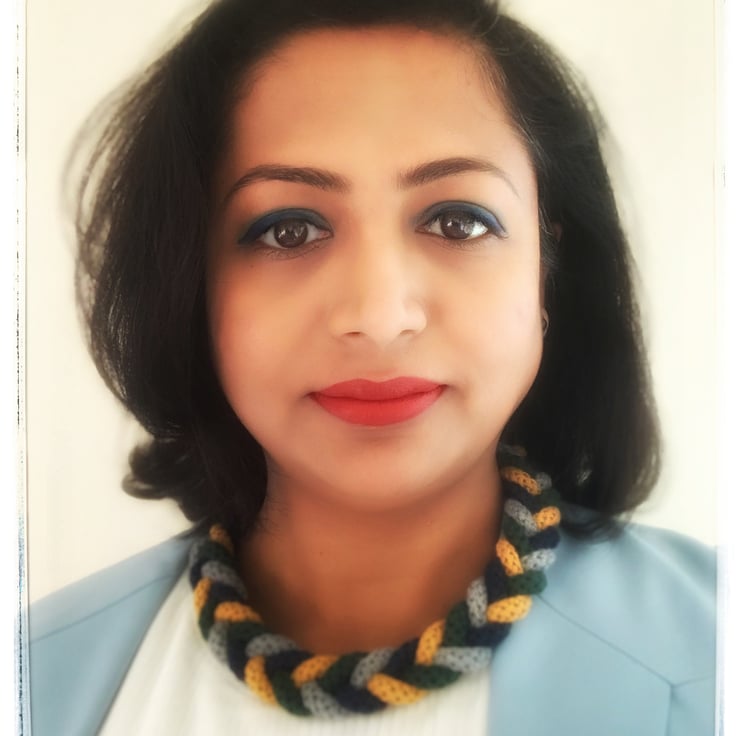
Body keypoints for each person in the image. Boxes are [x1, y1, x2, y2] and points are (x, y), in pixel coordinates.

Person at [27, 0, 716, 733]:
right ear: (190, 284)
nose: (380, 315)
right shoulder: (36, 679)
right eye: (288, 230)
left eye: (458, 221)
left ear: (548, 269)